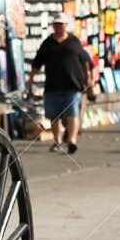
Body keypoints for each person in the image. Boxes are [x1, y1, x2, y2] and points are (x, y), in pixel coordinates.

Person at [30, 11, 94, 154]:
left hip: (73, 85)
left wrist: (88, 78)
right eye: (56, 24)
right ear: (53, 26)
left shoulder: (74, 42)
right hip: (52, 86)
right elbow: (36, 63)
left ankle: (72, 141)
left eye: (61, 24)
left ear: (66, 26)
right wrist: (30, 83)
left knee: (72, 112)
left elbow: (85, 61)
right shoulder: (47, 43)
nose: (59, 27)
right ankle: (57, 140)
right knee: (54, 116)